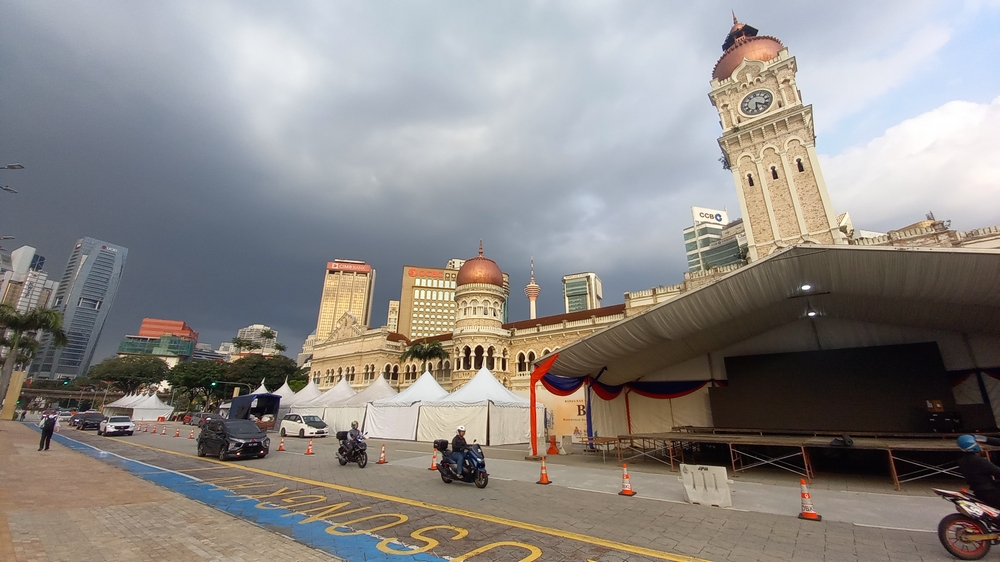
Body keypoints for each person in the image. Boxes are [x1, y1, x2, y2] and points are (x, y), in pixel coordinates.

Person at [957, 434, 1000, 508]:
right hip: (990, 492)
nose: (980, 445)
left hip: (980, 491)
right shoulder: (978, 461)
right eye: (978, 443)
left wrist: (982, 438)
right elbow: (997, 472)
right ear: (973, 446)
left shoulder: (962, 461)